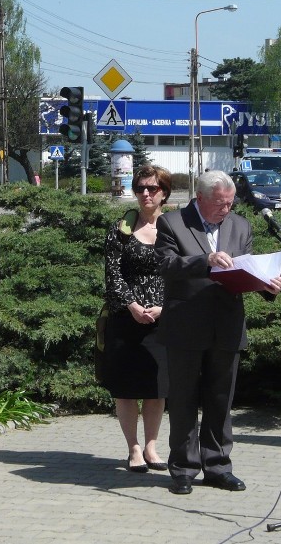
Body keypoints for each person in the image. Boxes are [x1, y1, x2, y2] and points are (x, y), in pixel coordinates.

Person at [154, 170, 281, 494]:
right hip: (186, 323)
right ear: (199, 198)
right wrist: (205, 261)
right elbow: (165, 266)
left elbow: (247, 268)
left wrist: (269, 285)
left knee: (220, 399)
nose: (226, 210)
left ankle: (217, 465)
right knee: (184, 400)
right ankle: (183, 468)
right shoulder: (172, 223)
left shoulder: (240, 225)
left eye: (229, 204)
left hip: (226, 324)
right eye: (219, 205)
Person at [102, 165, 171, 473]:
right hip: (125, 318)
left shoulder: (175, 230)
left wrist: (163, 306)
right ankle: (133, 449)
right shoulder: (120, 231)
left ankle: (152, 447)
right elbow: (113, 276)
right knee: (127, 388)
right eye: (140, 188)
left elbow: (183, 273)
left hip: (162, 319)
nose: (145, 193)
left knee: (157, 387)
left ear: (164, 193)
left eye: (152, 188)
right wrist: (131, 305)